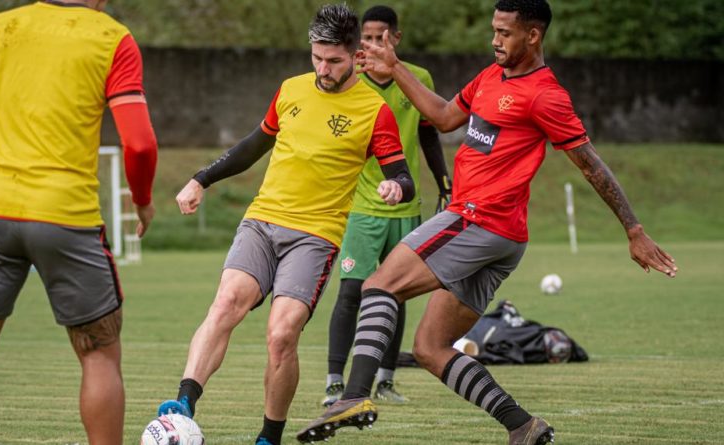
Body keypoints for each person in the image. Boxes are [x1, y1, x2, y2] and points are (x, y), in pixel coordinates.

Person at [297, 0, 678, 444]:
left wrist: (634, 230)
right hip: (503, 237)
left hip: (479, 220)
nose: (495, 40)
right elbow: (442, 118)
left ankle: (354, 395)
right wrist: (394, 66)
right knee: (430, 349)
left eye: (505, 33)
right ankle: (522, 426)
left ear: (533, 36)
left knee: (379, 285)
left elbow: (591, 164)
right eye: (493, 30)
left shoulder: (545, 94)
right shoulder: (490, 76)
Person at [159, 5, 415, 445]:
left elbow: (403, 175)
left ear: (355, 56)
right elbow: (252, 146)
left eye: (333, 60)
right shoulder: (291, 90)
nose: (323, 68)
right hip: (262, 221)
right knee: (226, 303)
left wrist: (397, 187)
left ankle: (268, 437)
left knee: (281, 335)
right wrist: (202, 178)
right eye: (316, 57)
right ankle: (183, 405)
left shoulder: (374, 111)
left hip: (316, 237)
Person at [0, 1, 158, 444]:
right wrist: (142, 200)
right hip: (65, 217)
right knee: (100, 358)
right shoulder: (112, 38)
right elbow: (140, 144)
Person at [322, 4, 452, 408]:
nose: (373, 44)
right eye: (367, 37)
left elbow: (430, 134)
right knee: (350, 293)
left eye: (381, 37)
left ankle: (386, 380)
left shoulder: (418, 79)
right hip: (362, 208)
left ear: (395, 38)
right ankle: (333, 382)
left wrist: (443, 181)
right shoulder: (349, 79)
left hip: (406, 209)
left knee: (394, 295)